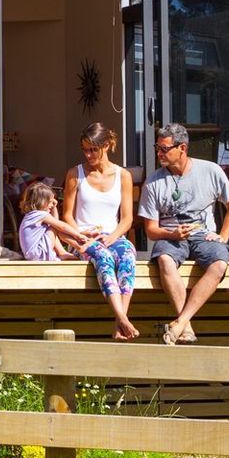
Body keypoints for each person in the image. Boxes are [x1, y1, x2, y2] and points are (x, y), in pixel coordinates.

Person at [139, 122, 229, 345]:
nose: (159, 154)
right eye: (157, 148)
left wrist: (223, 236)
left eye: (164, 149)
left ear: (182, 148)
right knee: (164, 260)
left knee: (219, 263)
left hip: (204, 235)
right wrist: (172, 234)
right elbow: (150, 230)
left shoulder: (210, 170)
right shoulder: (153, 182)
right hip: (170, 236)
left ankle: (181, 322)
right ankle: (187, 327)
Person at [57, 122, 140, 341]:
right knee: (102, 257)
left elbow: (127, 218)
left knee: (127, 255)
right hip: (82, 238)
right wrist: (82, 237)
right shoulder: (75, 174)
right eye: (85, 149)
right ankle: (123, 319)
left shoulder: (123, 176)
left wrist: (111, 237)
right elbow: (66, 215)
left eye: (93, 149)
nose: (89, 154)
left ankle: (119, 320)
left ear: (107, 145)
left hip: (112, 236)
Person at [15, 180, 74, 263]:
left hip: (33, 254)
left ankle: (62, 252)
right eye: (50, 202)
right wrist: (79, 235)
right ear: (41, 201)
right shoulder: (39, 214)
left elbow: (55, 221)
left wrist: (54, 207)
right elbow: (61, 226)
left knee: (53, 226)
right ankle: (62, 252)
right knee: (54, 226)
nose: (52, 204)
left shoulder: (32, 215)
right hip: (38, 253)